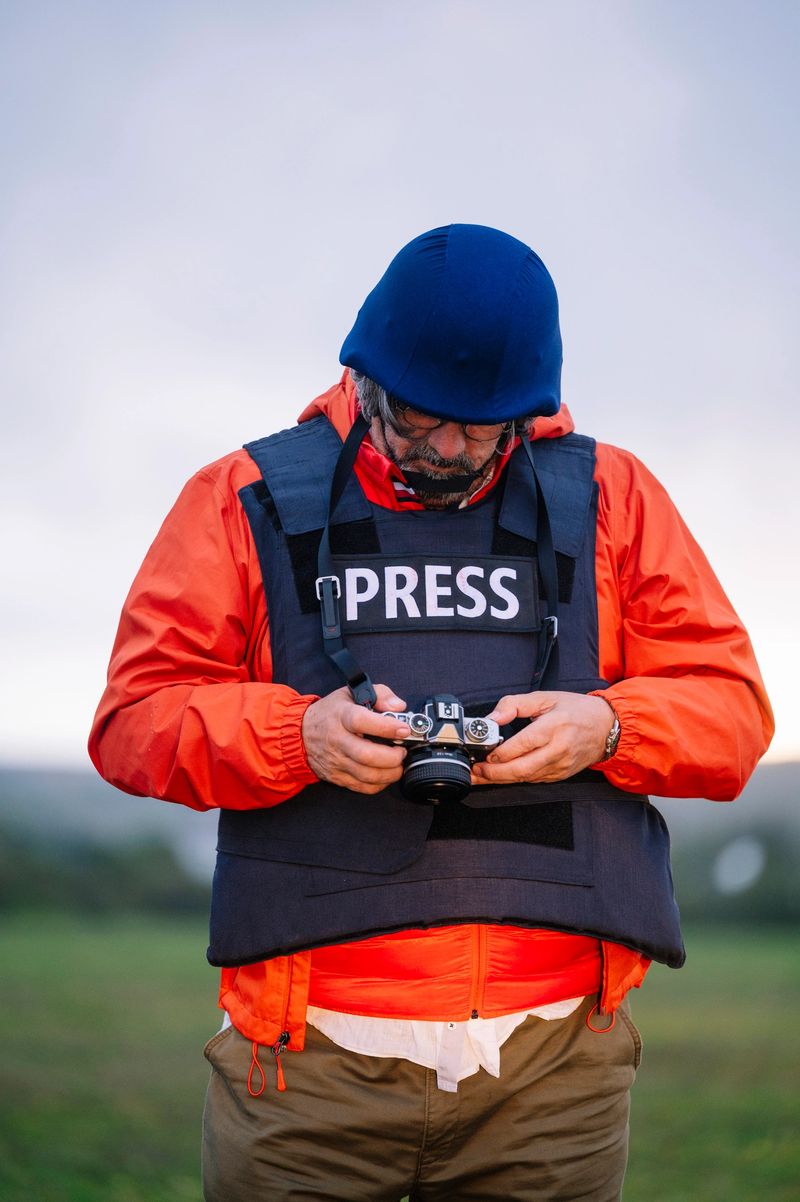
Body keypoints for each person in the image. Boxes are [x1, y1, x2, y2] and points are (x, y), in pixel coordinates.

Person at [89, 224, 773, 1202]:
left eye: (481, 424)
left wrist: (608, 726)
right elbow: (134, 721)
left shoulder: (610, 494)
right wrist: (300, 736)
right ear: (362, 372)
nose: (449, 447)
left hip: (553, 1072)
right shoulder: (241, 496)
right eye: (420, 416)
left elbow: (733, 712)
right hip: (305, 1067)